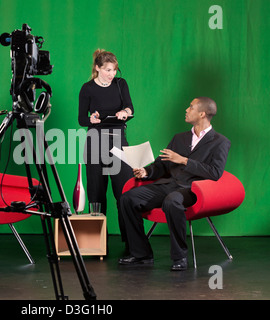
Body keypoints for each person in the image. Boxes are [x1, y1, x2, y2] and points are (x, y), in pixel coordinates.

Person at [119, 97, 230, 271]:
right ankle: (141, 254)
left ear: (202, 114)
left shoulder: (220, 142)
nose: (186, 109)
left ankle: (180, 257)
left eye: (191, 107)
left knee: (172, 201)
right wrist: (146, 172)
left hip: (193, 190)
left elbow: (215, 172)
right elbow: (162, 164)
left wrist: (185, 161)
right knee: (128, 198)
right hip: (168, 185)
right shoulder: (180, 138)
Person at [78, 49, 134, 243]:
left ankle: (130, 240)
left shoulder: (121, 84)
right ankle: (96, 242)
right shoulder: (87, 88)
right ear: (97, 68)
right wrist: (91, 119)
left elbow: (130, 106)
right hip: (95, 141)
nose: (112, 74)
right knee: (96, 194)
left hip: (118, 140)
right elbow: (81, 119)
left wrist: (125, 112)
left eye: (114, 70)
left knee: (124, 192)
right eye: (108, 70)